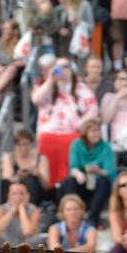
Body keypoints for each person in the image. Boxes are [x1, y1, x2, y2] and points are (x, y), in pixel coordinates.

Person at [31, 57, 98, 186]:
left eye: (65, 66)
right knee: (46, 140)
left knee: (78, 142)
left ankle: (69, 182)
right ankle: (49, 185)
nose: (62, 70)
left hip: (74, 131)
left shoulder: (81, 88)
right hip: (50, 131)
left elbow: (93, 109)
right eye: (58, 67)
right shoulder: (46, 85)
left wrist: (81, 123)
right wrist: (50, 79)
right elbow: (36, 99)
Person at [60, 118, 115, 227]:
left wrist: (98, 171)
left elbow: (109, 171)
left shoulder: (106, 147)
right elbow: (73, 167)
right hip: (82, 183)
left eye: (98, 131)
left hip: (99, 184)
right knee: (69, 181)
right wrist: (79, 174)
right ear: (85, 133)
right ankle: (74, 212)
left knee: (103, 181)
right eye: (93, 131)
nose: (97, 134)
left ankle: (93, 217)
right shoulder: (76, 145)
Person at [0, 179, 46, 248]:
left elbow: (28, 232)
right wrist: (12, 211)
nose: (18, 197)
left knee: (36, 239)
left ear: (28, 195)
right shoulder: (2, 209)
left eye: (22, 193)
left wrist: (22, 209)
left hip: (27, 244)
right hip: (6, 244)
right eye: (14, 194)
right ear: (8, 196)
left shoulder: (35, 210)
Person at [1, 129, 51, 206]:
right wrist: (18, 176)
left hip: (37, 192)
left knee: (30, 180)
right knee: (4, 184)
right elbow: (7, 178)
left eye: (26, 144)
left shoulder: (41, 157)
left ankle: (31, 209)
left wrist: (37, 174)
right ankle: (6, 208)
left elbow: (46, 185)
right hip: (15, 190)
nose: (23, 148)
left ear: (31, 144)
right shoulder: (9, 157)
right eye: (20, 145)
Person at [56, 0, 94, 64]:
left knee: (80, 73)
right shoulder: (59, 8)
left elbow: (91, 28)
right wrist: (59, 30)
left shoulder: (84, 5)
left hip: (79, 43)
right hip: (64, 45)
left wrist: (78, 22)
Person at [0, 19, 26, 97]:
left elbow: (23, 61)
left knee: (10, 70)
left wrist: (8, 67)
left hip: (16, 72)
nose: (4, 31)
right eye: (3, 29)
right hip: (2, 70)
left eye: (7, 29)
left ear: (14, 31)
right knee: (2, 72)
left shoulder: (20, 43)